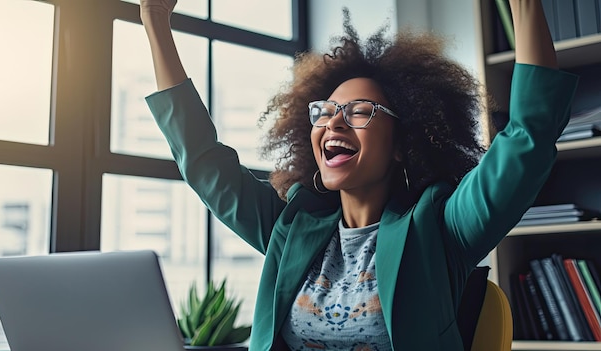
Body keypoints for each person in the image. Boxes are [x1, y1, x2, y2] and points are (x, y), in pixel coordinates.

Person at [140, 1, 578, 350]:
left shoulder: (441, 230)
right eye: (325, 112)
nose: (334, 123)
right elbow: (202, 160)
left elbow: (528, 138)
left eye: (360, 112)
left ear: (404, 144)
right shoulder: (291, 227)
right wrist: (155, 19)